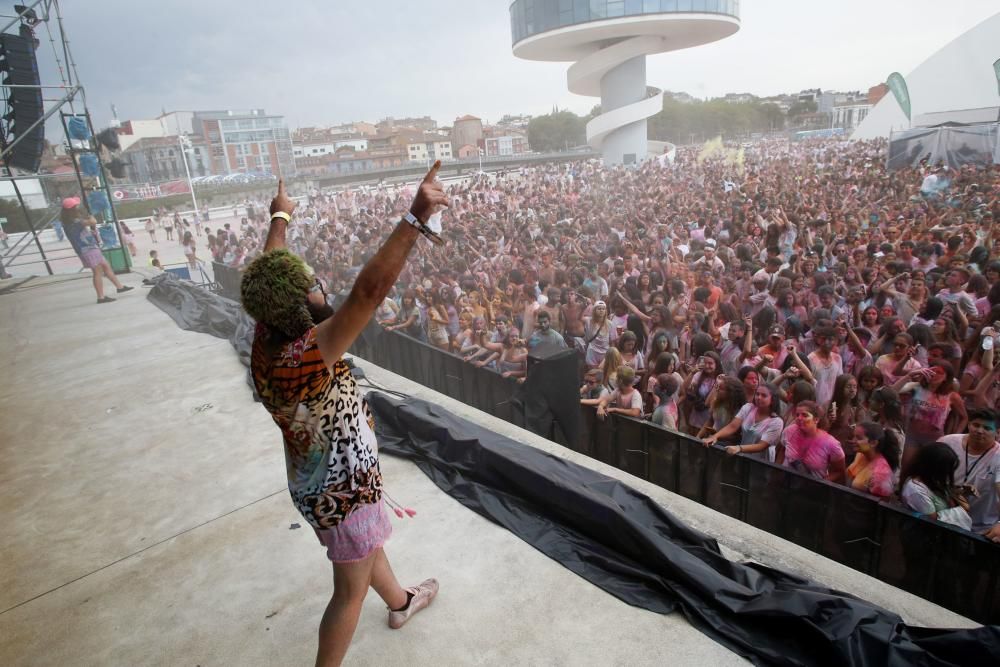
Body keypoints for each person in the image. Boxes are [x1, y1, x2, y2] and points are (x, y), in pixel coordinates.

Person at [242, 170, 445, 667]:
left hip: (315, 483)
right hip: (344, 492)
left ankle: (400, 603)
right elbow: (368, 294)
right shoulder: (308, 354)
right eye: (312, 286)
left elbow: (272, 264)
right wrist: (414, 218)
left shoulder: (267, 334)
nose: (320, 287)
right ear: (295, 308)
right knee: (348, 593)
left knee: (365, 551)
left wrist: (281, 215)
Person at [936, 408, 1000, 541]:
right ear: (969, 424)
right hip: (941, 517)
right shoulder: (946, 443)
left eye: (987, 428)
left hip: (981, 529)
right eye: (976, 425)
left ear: (997, 433)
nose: (979, 431)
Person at [60, 198, 133, 304]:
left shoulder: (67, 222)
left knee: (106, 266)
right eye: (76, 206)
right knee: (97, 272)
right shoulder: (75, 221)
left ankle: (119, 287)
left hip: (89, 248)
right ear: (72, 209)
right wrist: (89, 214)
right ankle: (101, 297)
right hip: (88, 249)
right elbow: (93, 221)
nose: (78, 207)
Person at [703, 383, 784, 462]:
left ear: (773, 400)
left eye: (764, 395)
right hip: (743, 456)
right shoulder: (748, 408)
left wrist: (739, 448)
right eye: (757, 394)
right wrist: (715, 437)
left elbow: (762, 446)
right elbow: (732, 426)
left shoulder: (776, 422)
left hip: (761, 461)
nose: (759, 397)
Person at [900, 443, 973, 530]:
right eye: (947, 470)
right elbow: (933, 520)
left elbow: (953, 500)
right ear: (935, 468)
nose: (948, 474)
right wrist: (961, 510)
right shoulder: (916, 491)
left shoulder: (934, 479)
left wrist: (960, 492)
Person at [778, 400, 847, 483]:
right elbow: (782, 450)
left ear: (816, 419)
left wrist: (820, 484)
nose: (799, 418)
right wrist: (777, 470)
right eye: (797, 415)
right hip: (784, 484)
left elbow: (839, 471)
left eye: (804, 415)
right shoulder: (789, 431)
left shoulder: (830, 443)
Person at [845, 422, 900, 498]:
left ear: (873, 443)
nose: (853, 440)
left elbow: (879, 506)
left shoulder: (881, 474)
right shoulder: (861, 455)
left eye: (859, 438)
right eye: (854, 436)